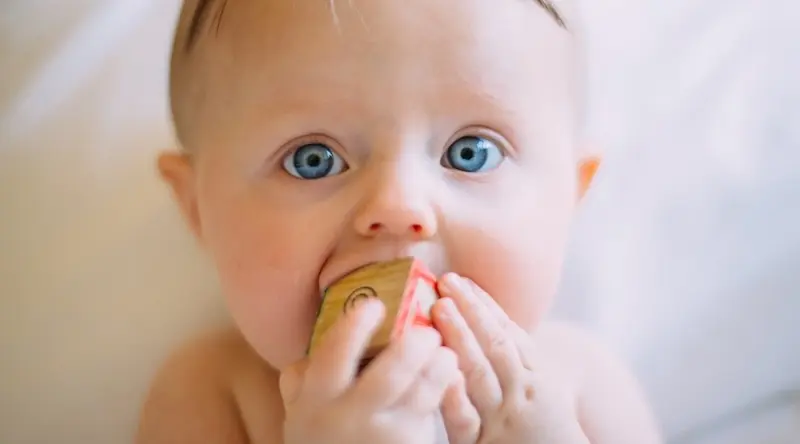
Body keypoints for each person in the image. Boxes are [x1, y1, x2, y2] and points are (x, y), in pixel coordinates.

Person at [137, 0, 662, 442]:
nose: (398, 206)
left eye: (471, 153)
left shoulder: (582, 389)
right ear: (198, 210)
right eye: (312, 158)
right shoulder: (212, 395)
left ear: (571, 195)